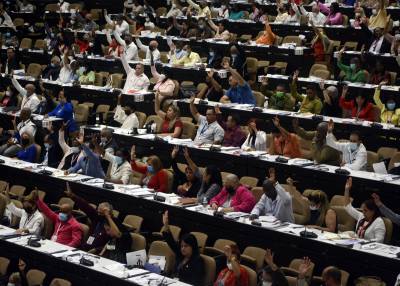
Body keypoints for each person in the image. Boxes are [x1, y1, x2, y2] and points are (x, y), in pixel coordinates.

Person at [64, 183, 116, 252]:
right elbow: (85, 206)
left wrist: (97, 249)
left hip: (98, 253)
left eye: (101, 212)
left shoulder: (114, 226)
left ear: (108, 213)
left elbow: (113, 246)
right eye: (98, 211)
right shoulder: (97, 218)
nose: (98, 213)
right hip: (85, 248)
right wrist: (72, 196)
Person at [162, 211, 205, 285]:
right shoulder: (181, 254)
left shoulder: (198, 261)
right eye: (181, 246)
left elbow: (195, 282)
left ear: (192, 246)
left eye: (186, 246)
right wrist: (166, 225)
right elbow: (171, 242)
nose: (182, 248)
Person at [343, 178, 386, 243]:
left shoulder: (379, 222)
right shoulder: (362, 216)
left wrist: (363, 242)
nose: (363, 212)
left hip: (369, 249)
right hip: (356, 245)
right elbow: (347, 207)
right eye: (363, 210)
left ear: (373, 211)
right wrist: (347, 189)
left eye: (365, 210)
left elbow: (380, 240)